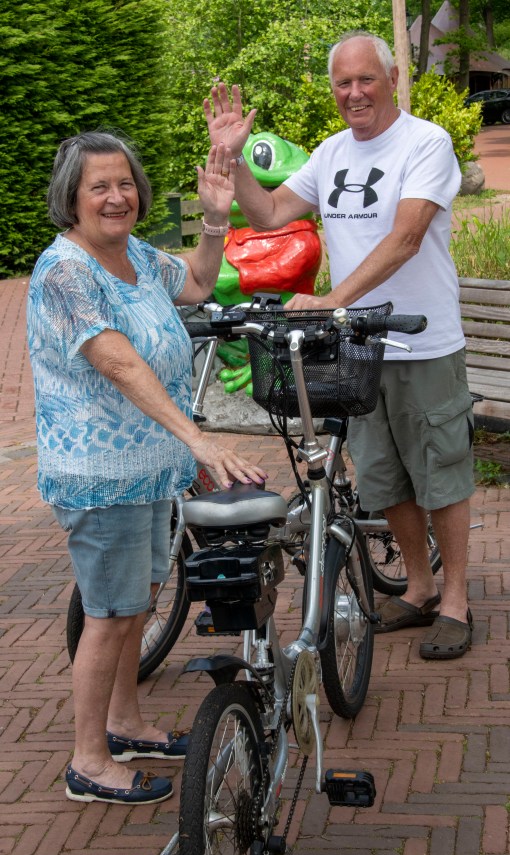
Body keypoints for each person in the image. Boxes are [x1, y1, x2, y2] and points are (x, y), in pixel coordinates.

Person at [202, 30, 475, 661]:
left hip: (424, 342)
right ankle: (420, 586)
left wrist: (334, 298)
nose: (354, 92)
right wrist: (234, 158)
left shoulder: (426, 142)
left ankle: (456, 600)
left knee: (442, 473)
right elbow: (269, 213)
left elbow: (407, 238)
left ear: (393, 79)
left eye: (365, 80)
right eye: (343, 83)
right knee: (385, 476)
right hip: (361, 349)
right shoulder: (330, 153)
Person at [27, 130, 267, 805]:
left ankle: (126, 722)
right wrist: (198, 438)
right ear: (71, 196)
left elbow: (193, 282)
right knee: (108, 613)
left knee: (137, 605)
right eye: (99, 185)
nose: (116, 195)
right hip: (100, 474)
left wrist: (216, 217)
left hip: (146, 468)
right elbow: (118, 360)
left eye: (125, 182)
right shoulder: (65, 271)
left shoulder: (133, 253)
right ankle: (88, 759)